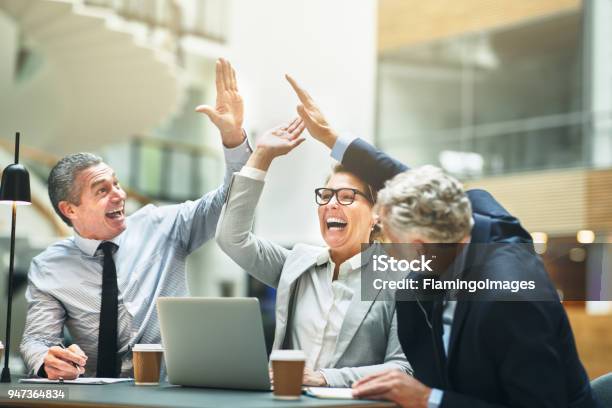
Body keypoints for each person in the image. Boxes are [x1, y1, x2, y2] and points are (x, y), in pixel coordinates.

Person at [286, 78, 599, 407]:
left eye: (393, 243)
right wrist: (332, 139)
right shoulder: (468, 211)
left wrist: (430, 399)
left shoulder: (509, 299)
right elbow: (412, 183)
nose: (386, 251)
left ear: (420, 244)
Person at [20, 58, 251, 379]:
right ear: (69, 210)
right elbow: (37, 338)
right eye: (102, 190)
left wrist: (234, 139)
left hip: (172, 391)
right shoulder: (49, 267)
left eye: (116, 183)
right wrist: (47, 358)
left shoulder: (164, 226)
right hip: (95, 397)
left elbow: (230, 202)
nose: (119, 195)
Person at [215, 119, 412, 388]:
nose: (331, 204)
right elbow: (231, 238)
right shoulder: (298, 263)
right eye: (326, 195)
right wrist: (261, 157)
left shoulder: (402, 278)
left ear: (377, 214)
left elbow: (401, 368)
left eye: (346, 196)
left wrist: (323, 379)